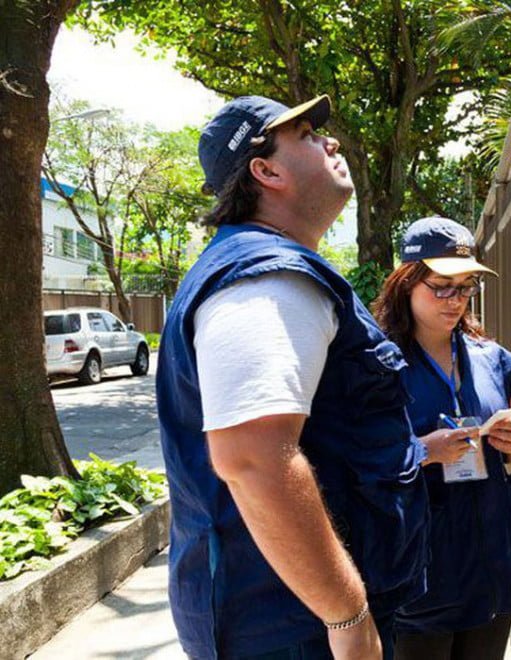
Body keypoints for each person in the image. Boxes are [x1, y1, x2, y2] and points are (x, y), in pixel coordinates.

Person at [156, 96, 472, 659]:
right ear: (266, 170)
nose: (331, 142)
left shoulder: (267, 268)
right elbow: (252, 457)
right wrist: (346, 614)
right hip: (295, 627)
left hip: (293, 615)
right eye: (304, 134)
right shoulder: (265, 276)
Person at [372, 217, 511, 660]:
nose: (455, 300)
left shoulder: (492, 359)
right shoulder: (378, 366)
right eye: (441, 285)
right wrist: (426, 451)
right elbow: (357, 461)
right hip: (421, 572)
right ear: (406, 283)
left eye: (465, 287)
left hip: (492, 564)